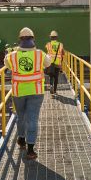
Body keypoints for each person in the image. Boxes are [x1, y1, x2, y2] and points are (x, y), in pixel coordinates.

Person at [5, 27, 51, 160]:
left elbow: (7, 65)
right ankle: (30, 150)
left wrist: (11, 53)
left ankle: (21, 139)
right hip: (36, 91)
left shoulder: (12, 56)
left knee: (21, 116)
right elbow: (47, 64)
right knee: (32, 118)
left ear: (20, 40)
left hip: (18, 91)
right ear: (33, 39)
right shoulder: (39, 54)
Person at [44, 30, 64, 95]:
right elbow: (62, 53)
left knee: (51, 76)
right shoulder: (60, 44)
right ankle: (55, 91)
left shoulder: (48, 44)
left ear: (50, 37)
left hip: (50, 63)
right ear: (56, 37)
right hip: (57, 63)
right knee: (56, 77)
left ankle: (51, 85)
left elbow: (47, 51)